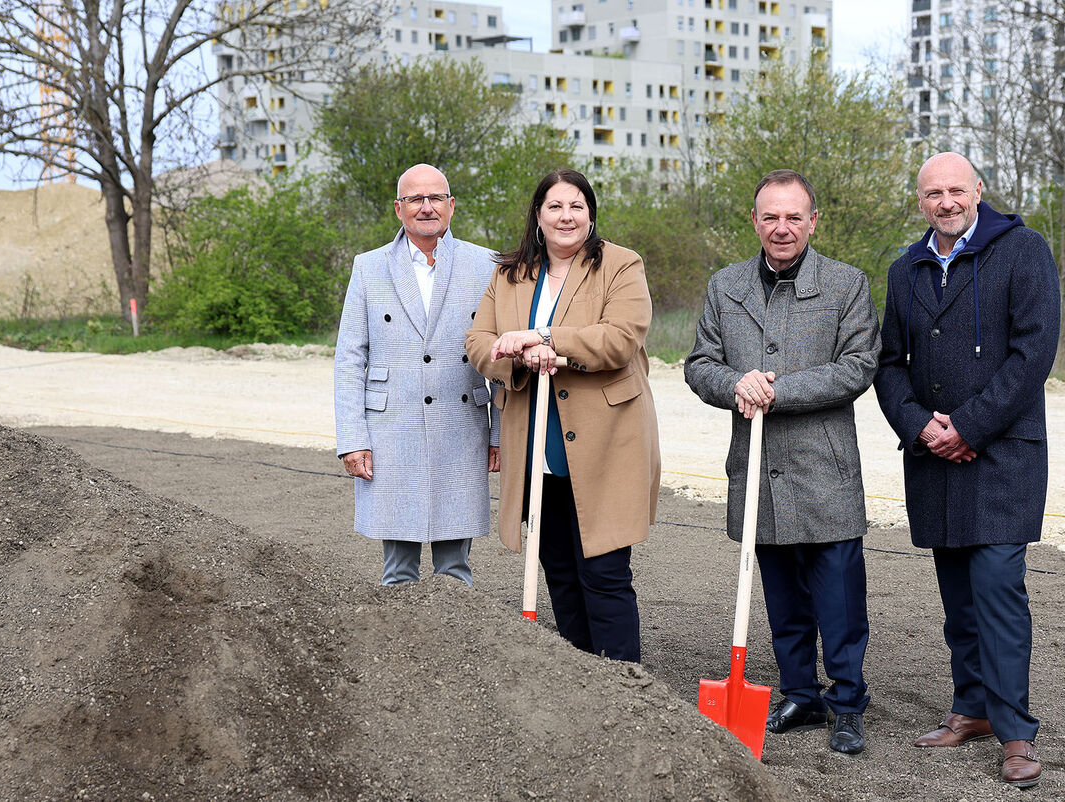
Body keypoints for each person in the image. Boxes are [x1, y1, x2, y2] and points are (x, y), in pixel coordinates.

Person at [873, 152, 1061, 788]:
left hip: (1003, 456)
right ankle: (972, 709)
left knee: (998, 593)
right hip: (934, 459)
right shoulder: (906, 270)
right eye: (933, 193)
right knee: (958, 600)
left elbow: (1033, 353)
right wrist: (923, 427)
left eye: (956, 189)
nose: (945, 201)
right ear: (920, 201)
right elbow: (889, 365)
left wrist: (970, 426)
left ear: (978, 190)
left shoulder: (1024, 250)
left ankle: (1014, 734)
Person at [684, 169, 879, 756]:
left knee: (839, 601)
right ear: (755, 221)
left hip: (825, 472)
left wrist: (777, 390)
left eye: (794, 216)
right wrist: (734, 382)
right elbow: (699, 363)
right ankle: (800, 691)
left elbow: (858, 365)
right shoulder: (726, 286)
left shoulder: (846, 285)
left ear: (813, 221)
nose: (782, 227)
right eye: (770, 216)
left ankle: (847, 703)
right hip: (759, 471)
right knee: (781, 598)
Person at [465, 168, 660, 663]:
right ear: (537, 215)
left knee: (604, 571)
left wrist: (546, 339)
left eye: (576, 206)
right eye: (555, 206)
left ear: (591, 214)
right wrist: (517, 357)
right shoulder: (509, 274)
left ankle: (625, 687)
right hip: (536, 444)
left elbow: (621, 337)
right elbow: (478, 343)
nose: (565, 216)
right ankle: (581, 683)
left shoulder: (620, 264)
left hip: (605, 442)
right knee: (558, 571)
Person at [334, 163, 500, 587]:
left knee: (456, 569)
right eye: (415, 199)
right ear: (398, 208)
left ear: (451, 205)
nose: (427, 207)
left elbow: (499, 356)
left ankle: (460, 648)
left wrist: (499, 435)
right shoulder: (368, 268)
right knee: (398, 570)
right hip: (391, 432)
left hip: (461, 426)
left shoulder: (486, 264)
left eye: (436, 198)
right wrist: (353, 440)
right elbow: (350, 358)